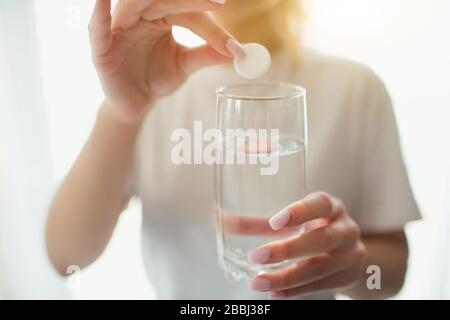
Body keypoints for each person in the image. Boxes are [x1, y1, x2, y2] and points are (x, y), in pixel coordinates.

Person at [46, 0, 420, 299]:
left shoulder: (356, 88)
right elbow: (66, 256)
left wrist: (354, 266)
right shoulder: (155, 83)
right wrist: (122, 109)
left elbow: (391, 272)